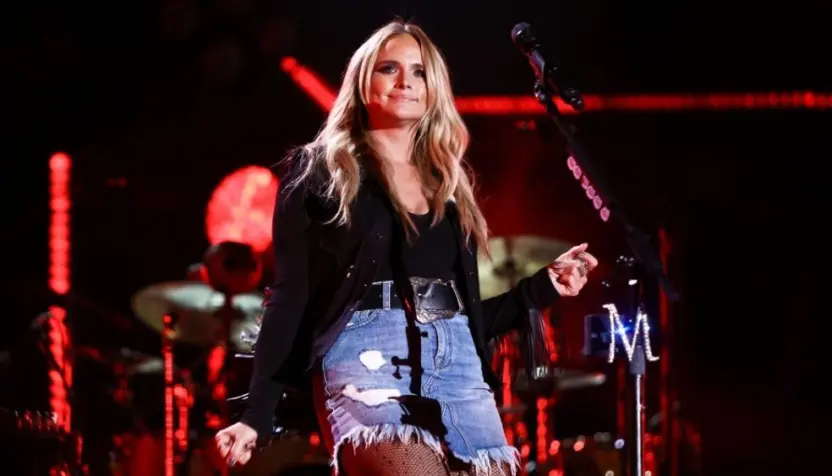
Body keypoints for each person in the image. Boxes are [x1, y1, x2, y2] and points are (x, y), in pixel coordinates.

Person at [215, 20, 598, 476]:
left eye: (419, 72)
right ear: (363, 81)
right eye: (389, 69)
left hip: (458, 367)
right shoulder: (320, 170)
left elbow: (464, 317)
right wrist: (256, 414)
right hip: (367, 361)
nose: (406, 82)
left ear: (433, 88)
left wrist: (540, 289)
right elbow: (291, 295)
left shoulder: (448, 186)